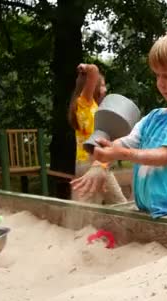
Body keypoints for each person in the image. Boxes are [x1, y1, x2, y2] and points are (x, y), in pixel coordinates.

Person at [72, 30, 167, 219]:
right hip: (147, 212)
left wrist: (120, 154)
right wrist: (100, 162)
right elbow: (125, 143)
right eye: (157, 75)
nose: (160, 83)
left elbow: (165, 155)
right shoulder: (154, 116)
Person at [68, 63, 126, 204]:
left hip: (93, 161)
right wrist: (86, 68)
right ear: (91, 86)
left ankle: (82, 223)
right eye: (102, 85)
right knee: (118, 203)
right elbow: (94, 71)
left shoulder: (92, 107)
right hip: (91, 161)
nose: (105, 89)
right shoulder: (84, 102)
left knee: (100, 203)